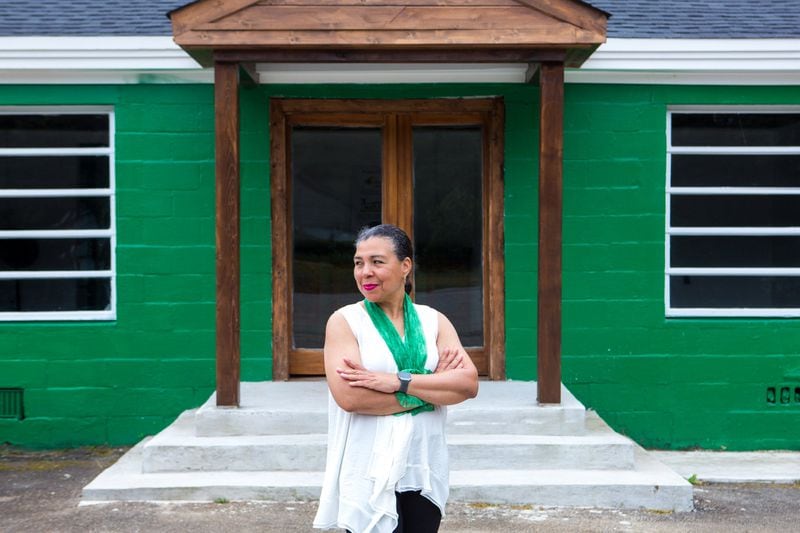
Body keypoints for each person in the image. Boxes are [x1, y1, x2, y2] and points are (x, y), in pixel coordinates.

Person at [313, 224, 479, 533]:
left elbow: (467, 385)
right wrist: (433, 386)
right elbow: (351, 398)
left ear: (405, 266)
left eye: (377, 261)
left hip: (423, 465)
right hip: (369, 471)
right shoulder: (346, 321)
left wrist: (398, 382)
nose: (365, 272)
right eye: (358, 263)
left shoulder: (434, 321)